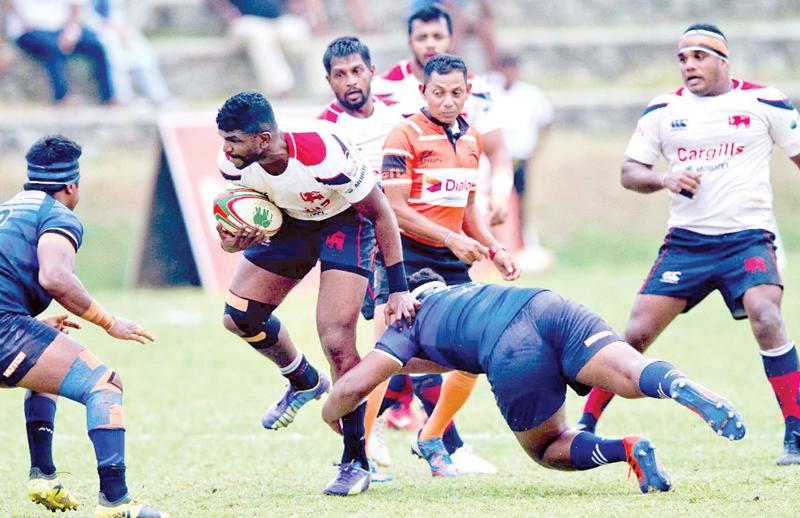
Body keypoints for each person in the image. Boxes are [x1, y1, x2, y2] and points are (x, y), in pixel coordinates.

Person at [575, 24, 800, 466]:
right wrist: (665, 177)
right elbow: (630, 172)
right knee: (635, 334)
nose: (690, 66)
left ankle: (795, 431)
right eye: (683, 59)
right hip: (687, 244)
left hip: (747, 239)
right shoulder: (663, 110)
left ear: (723, 59)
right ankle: (585, 423)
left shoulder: (764, 102)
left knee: (767, 315)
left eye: (700, 56)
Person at [323, 268, 746, 494]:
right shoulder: (466, 294)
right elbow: (434, 362)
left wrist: (331, 414)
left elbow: (351, 388)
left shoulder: (407, 319)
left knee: (547, 446)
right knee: (629, 373)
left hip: (512, 345)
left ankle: (628, 448)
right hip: (549, 304)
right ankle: (676, 384)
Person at [215, 91, 418, 495]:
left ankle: (356, 461)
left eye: (233, 139)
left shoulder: (322, 150)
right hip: (292, 224)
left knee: (338, 341)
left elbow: (381, 213)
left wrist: (398, 287)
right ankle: (303, 380)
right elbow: (230, 242)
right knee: (239, 316)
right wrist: (236, 241)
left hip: (347, 221)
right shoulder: (234, 166)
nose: (225, 149)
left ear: (263, 138)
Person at [0, 135, 165, 516]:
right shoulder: (57, 215)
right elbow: (55, 277)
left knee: (47, 367)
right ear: (72, 185)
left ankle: (42, 474)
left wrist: (33, 322)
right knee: (103, 384)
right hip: (6, 331)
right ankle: (115, 502)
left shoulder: (8, 210)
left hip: (10, 325)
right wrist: (110, 322)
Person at [378, 53, 519, 477]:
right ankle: (359, 448)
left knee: (471, 353)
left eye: (457, 92)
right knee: (386, 357)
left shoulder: (472, 139)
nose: (447, 100)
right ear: (423, 91)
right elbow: (394, 208)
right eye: (438, 92)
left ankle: (431, 436)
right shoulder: (403, 135)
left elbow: (469, 210)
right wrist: (452, 238)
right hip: (403, 255)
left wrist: (494, 249)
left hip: (451, 257)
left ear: (468, 93)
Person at [372, 4, 514, 227]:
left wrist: (500, 194)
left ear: (451, 40)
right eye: (422, 37)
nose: (430, 43)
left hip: (460, 207)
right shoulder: (383, 89)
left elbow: (497, 150)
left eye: (437, 36)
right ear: (410, 42)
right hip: (405, 210)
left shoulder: (474, 89)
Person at [488, 53, 555, 273]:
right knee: (493, 201)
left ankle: (522, 243)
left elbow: (545, 123)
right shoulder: (489, 89)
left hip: (519, 156)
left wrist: (534, 152)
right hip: (493, 159)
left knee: (521, 200)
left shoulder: (530, 94)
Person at [4, 0, 116, 104]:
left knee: (96, 45)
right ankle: (62, 97)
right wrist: (24, 21)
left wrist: (70, 31)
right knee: (52, 48)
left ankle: (109, 96)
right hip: (28, 29)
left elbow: (76, 6)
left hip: (63, 28)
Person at [207, 0, 323, 98]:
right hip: (245, 21)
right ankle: (280, 89)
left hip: (278, 20)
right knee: (261, 36)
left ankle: (323, 91)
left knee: (303, 31)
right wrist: (227, 13)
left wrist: (308, 14)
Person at [88, 0, 171, 105]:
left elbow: (138, 10)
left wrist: (128, 28)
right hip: (103, 29)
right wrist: (109, 27)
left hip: (127, 28)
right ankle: (123, 97)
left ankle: (158, 96)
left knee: (144, 55)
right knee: (115, 56)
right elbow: (89, 14)